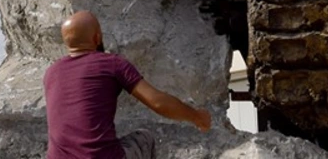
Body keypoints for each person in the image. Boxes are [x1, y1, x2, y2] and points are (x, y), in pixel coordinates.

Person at [43, 11, 211, 159]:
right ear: (97, 37)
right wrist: (196, 116)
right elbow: (158, 102)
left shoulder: (51, 73)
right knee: (145, 139)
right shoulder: (111, 63)